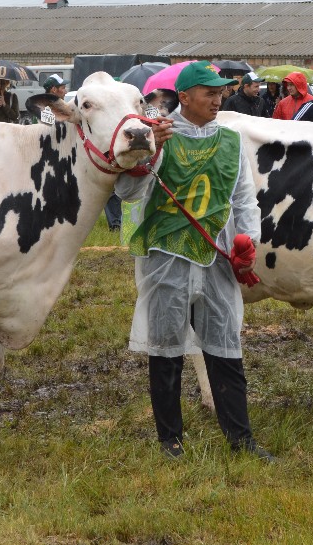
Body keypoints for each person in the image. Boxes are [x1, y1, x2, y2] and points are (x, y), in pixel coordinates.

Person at [116, 60, 271, 460]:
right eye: (209, 93)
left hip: (216, 257)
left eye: (220, 93)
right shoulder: (157, 135)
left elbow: (243, 196)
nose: (218, 99)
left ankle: (241, 439)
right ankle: (170, 439)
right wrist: (154, 149)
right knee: (166, 348)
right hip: (167, 255)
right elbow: (127, 194)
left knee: (224, 344)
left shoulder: (231, 140)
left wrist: (248, 241)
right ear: (184, 97)